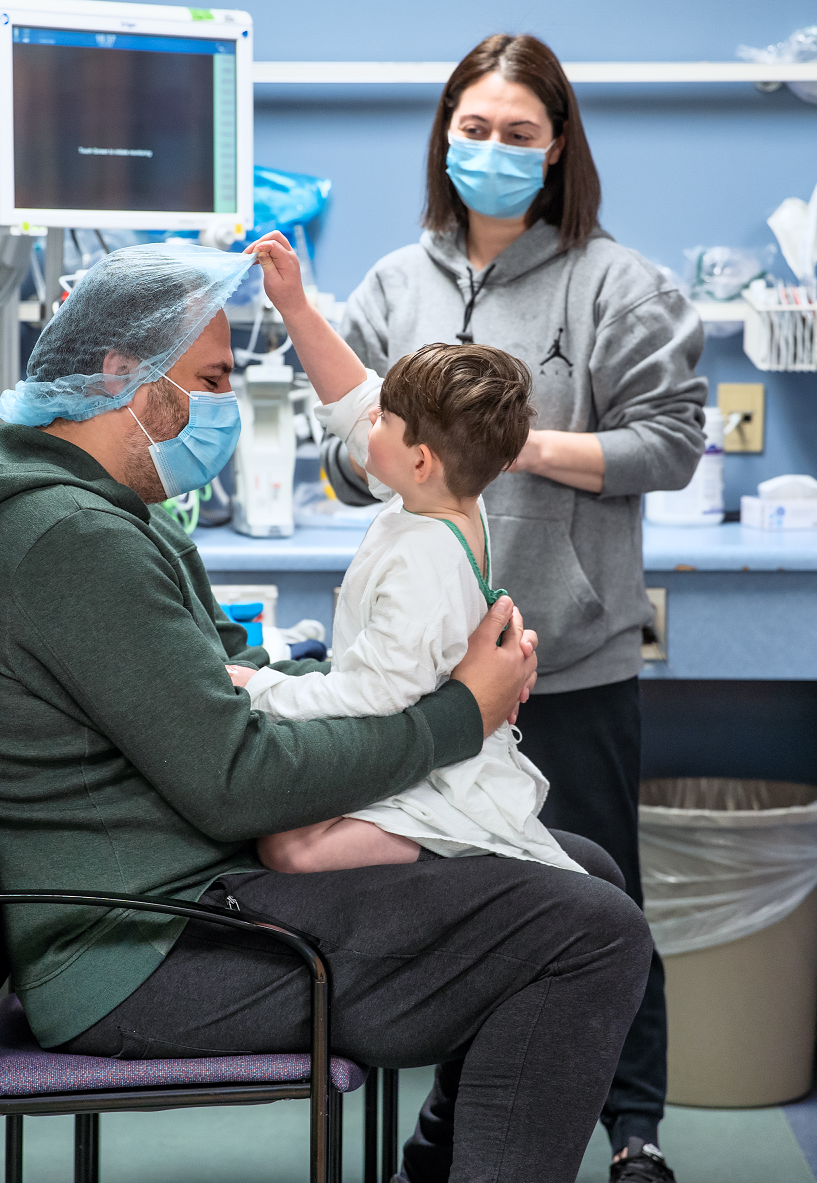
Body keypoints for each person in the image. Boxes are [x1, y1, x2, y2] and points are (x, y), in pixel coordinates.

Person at [0, 242, 655, 1183]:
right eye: (212, 379)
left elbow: (215, 670)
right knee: (592, 928)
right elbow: (236, 785)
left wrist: (328, 670)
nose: (227, 404)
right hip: (143, 950)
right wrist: (461, 714)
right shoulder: (69, 542)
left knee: (571, 867)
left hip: (174, 896)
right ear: (125, 379)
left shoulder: (105, 512)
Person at [319, 33, 707, 1181]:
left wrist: (511, 442)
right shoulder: (393, 285)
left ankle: (635, 1132)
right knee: (467, 911)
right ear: (447, 136)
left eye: (518, 133)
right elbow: (347, 456)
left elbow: (673, 444)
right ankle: (457, 1130)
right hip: (431, 680)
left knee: (598, 900)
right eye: (474, 128)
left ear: (558, 146)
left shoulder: (621, 285)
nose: (492, 149)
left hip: (568, 661)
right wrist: (371, 449)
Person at [234, 231, 578, 876]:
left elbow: (372, 694)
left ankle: (459, 853)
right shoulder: (447, 498)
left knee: (289, 848)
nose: (369, 421)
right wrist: (297, 309)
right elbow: (353, 397)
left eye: (384, 418)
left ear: (419, 459)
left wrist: (263, 690)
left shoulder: (422, 559)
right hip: (430, 725)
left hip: (441, 773)